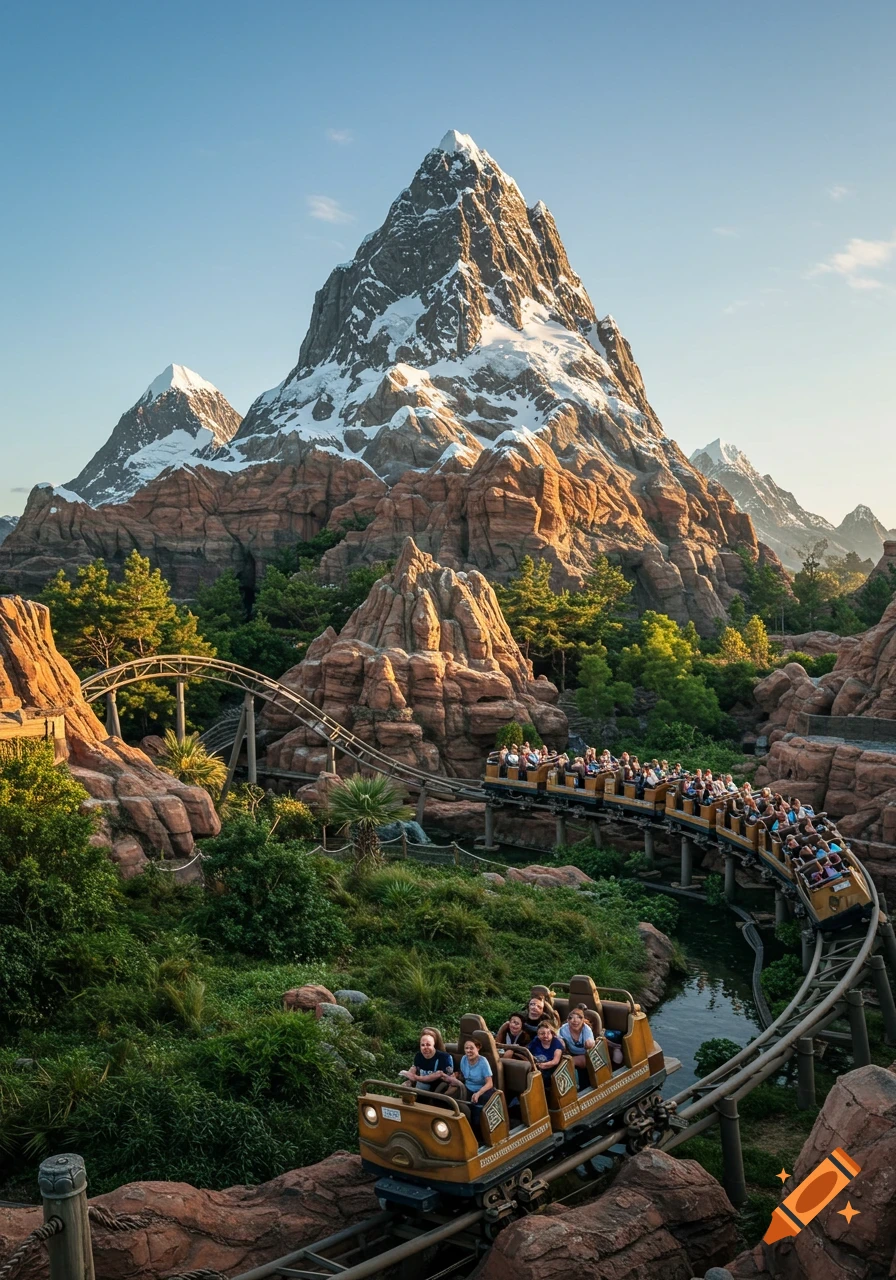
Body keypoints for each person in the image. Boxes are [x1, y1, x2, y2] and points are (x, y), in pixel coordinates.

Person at [399, 1029, 458, 1094]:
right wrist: (410, 1080)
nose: (425, 1048)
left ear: (434, 1045)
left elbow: (449, 1079)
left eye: (428, 1045)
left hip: (439, 1091)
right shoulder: (418, 1056)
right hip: (420, 1088)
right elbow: (415, 1072)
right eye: (423, 1045)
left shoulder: (445, 1058)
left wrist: (416, 1078)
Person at [459, 1038, 495, 1138]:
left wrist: (478, 1093)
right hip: (468, 1088)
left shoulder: (483, 1061)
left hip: (483, 1090)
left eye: (471, 1048)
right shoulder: (463, 1059)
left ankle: (478, 1136)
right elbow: (463, 1076)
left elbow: (489, 1083)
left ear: (478, 1048)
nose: (468, 1051)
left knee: (476, 1111)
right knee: (458, 1106)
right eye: (466, 1048)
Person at [559, 1006, 595, 1088]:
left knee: (569, 1062)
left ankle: (576, 1087)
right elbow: (557, 1038)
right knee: (562, 1061)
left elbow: (591, 1045)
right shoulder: (563, 1029)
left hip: (586, 1055)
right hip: (570, 1053)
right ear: (568, 1020)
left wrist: (589, 1044)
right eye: (571, 1018)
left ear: (582, 1020)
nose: (575, 1021)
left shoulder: (587, 1030)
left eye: (578, 1018)